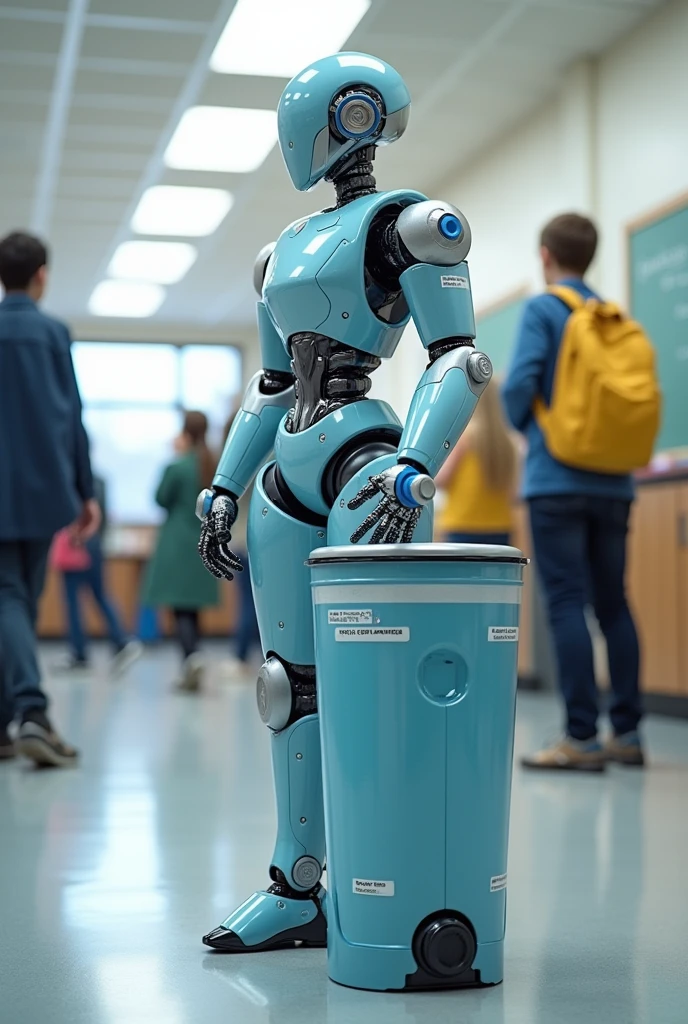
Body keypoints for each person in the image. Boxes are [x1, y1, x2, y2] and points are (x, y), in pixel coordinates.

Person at [502, 213, 643, 771]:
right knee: (614, 603)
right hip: (616, 482)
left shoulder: (544, 309)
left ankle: (580, 737)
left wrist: (529, 424)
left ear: (545, 257)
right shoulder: (612, 315)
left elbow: (518, 384)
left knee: (565, 603)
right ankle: (628, 734)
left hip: (556, 478)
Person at [0, 230, 100, 767]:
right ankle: (33, 711)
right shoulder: (52, 333)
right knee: (18, 597)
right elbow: (72, 418)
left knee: (8, 598)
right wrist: (85, 491)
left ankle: (5, 725)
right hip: (44, 488)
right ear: (41, 275)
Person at [142, 411, 219, 691]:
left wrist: (176, 455)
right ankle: (193, 658)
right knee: (193, 607)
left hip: (176, 543)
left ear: (185, 432)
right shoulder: (211, 465)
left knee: (180, 608)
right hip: (202, 541)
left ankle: (191, 657)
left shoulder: (178, 467)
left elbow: (160, 498)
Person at [52, 475, 142, 675]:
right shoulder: (99, 481)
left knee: (72, 601)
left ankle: (79, 654)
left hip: (75, 543)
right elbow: (101, 517)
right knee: (100, 595)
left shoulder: (68, 480)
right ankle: (121, 641)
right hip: (94, 545)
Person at [435, 379, 517, 545]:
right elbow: (515, 492)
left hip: (462, 525)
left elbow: (441, 479)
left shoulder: (464, 437)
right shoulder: (508, 442)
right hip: (500, 527)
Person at [220, 407, 260, 678]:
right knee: (257, 603)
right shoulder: (266, 457)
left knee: (249, 602)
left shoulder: (237, 468)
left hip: (246, 540)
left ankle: (241, 656)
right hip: (255, 540)